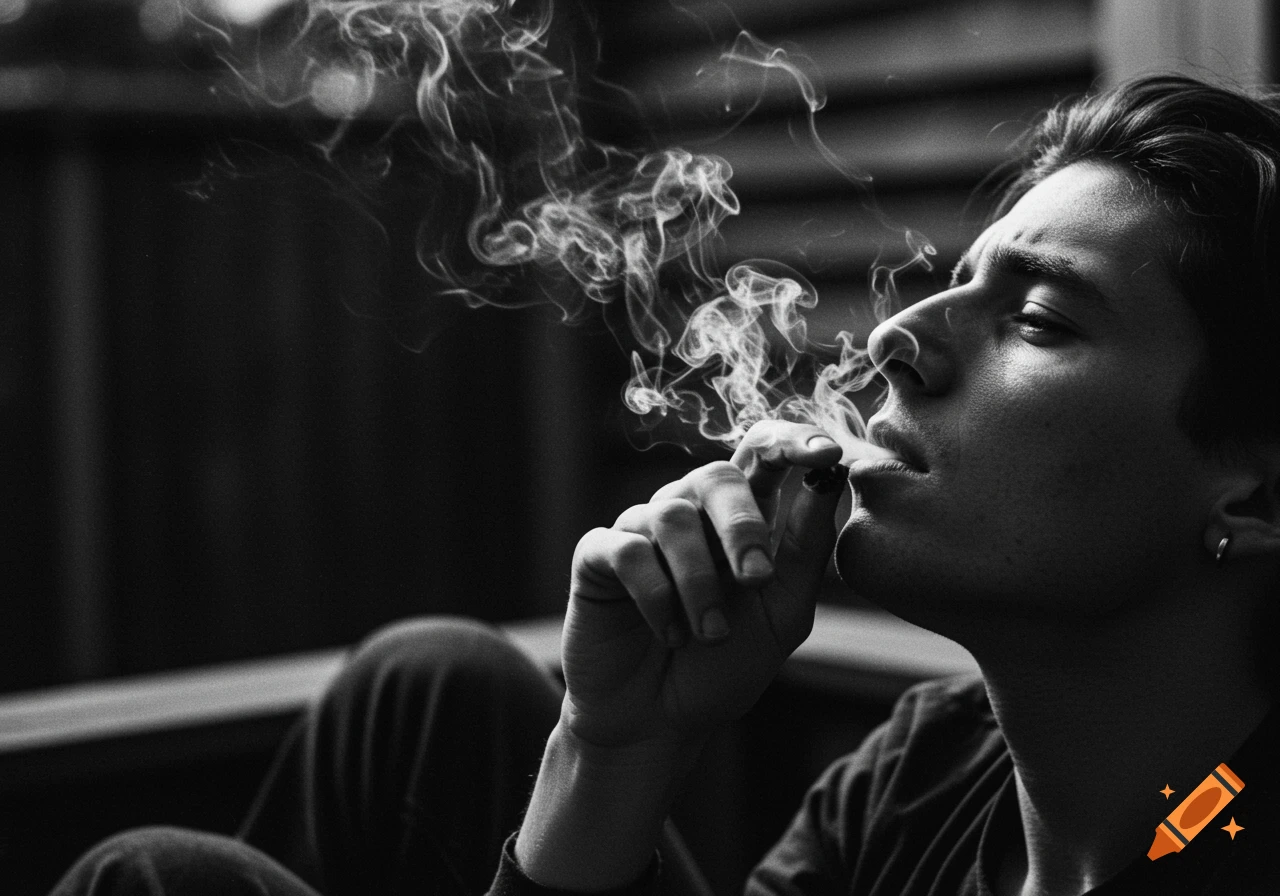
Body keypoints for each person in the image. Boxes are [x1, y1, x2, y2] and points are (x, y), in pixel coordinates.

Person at [52, 73, 1280, 896]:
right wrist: (614, 744)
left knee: (151, 878)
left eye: (1040, 318)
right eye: (954, 280)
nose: (897, 335)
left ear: (1253, 499)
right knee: (426, 687)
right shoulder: (922, 770)